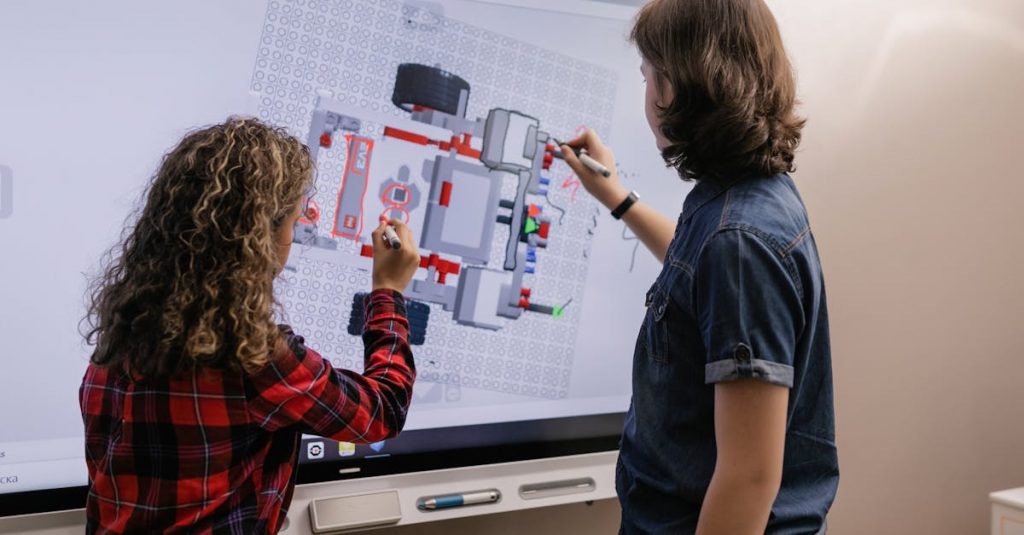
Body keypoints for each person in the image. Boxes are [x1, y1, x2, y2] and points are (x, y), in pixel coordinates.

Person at [560, 1, 838, 533]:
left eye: (649, 76)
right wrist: (616, 197)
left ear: (676, 86)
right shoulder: (742, 201)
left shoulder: (739, 241)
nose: (647, 94)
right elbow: (699, 273)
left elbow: (749, 477)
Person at [79, 118, 422, 534]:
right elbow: (381, 413)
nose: (292, 237)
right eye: (293, 222)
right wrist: (388, 291)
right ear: (259, 237)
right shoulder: (255, 360)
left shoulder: (112, 352)